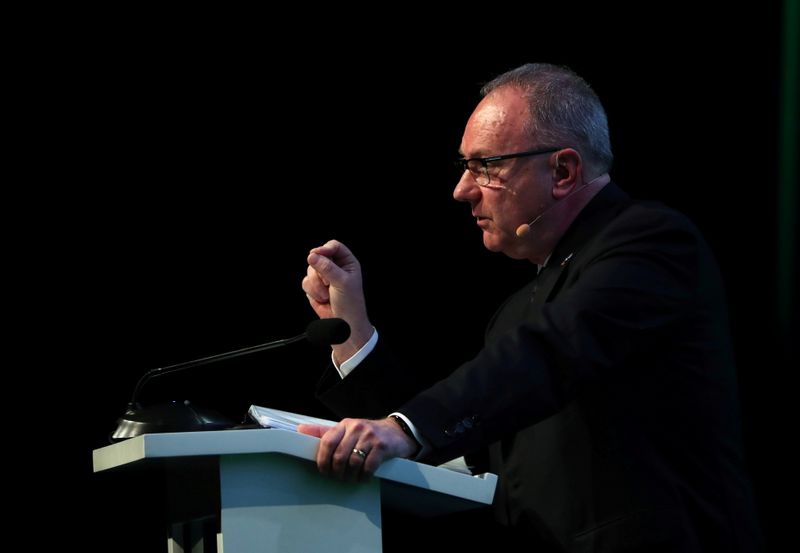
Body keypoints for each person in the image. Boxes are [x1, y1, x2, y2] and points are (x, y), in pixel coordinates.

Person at [298, 63, 762, 552]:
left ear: (563, 170)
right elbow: (455, 446)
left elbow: (549, 354)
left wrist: (407, 428)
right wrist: (351, 333)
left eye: (486, 166)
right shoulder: (519, 310)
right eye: (464, 167)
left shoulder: (653, 243)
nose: (462, 190)